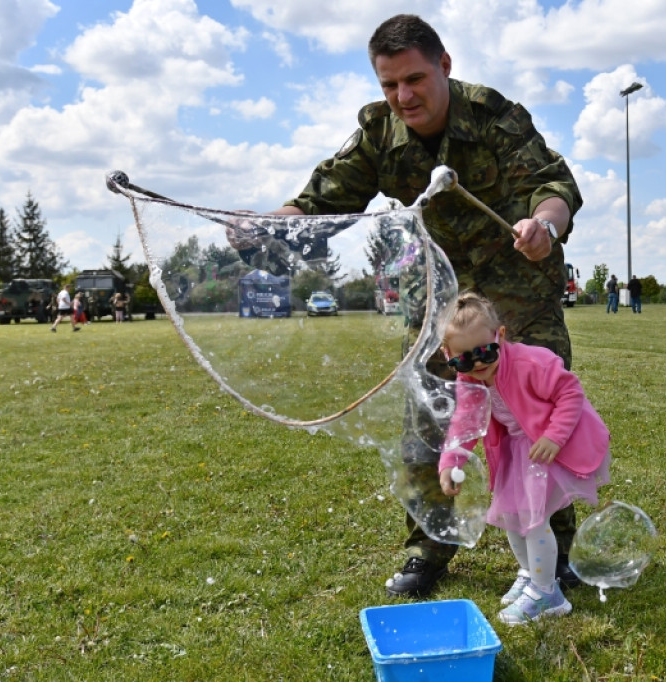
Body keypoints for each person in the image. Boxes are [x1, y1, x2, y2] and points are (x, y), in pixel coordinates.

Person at [268, 14, 584, 598]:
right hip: (443, 302)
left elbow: (554, 185)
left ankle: (556, 553)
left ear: (444, 65)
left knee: (536, 422)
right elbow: (323, 199)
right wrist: (274, 222)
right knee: (428, 425)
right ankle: (427, 549)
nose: (403, 96)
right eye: (389, 85)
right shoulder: (378, 132)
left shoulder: (494, 116)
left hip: (519, 293)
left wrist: (544, 225)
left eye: (414, 79)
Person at [438, 294, 610, 624]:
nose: (476, 364)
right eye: (463, 360)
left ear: (499, 336)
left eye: (485, 352)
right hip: (519, 449)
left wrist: (553, 437)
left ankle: (548, 595)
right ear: (449, 356)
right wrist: (450, 462)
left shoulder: (531, 362)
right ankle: (532, 575)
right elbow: (465, 422)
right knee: (511, 517)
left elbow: (570, 392)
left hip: (552, 444)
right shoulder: (470, 380)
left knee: (533, 520)